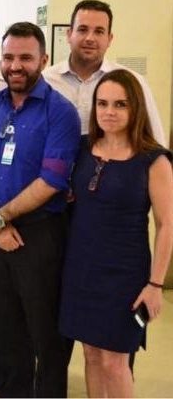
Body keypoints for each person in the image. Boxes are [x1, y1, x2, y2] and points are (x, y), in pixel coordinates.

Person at [0, 22, 80, 397]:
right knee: (6, 328)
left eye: (26, 58)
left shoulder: (60, 112)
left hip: (40, 235)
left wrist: (0, 218)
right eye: (9, 57)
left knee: (46, 334)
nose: (15, 66)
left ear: (44, 60)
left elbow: (52, 180)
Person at [59, 69, 173, 398]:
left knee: (115, 362)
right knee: (91, 355)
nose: (109, 111)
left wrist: (155, 285)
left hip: (125, 275)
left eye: (120, 104)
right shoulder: (83, 148)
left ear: (136, 107)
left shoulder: (154, 159)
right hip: (81, 269)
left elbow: (166, 224)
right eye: (103, 103)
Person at [43, 0, 166, 145]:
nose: (90, 38)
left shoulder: (134, 82)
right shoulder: (45, 81)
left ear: (109, 39)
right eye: (82, 29)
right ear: (69, 34)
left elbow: (155, 140)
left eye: (99, 31)